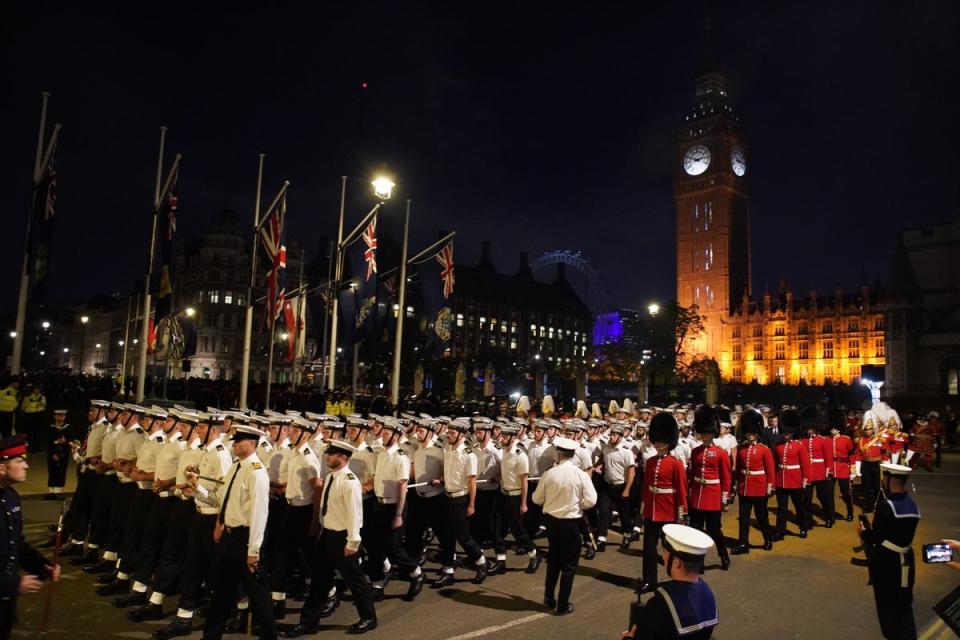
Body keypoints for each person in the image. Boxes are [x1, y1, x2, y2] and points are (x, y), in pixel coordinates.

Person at [187, 424, 276, 640]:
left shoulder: (256, 473)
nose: (235, 444)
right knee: (222, 592)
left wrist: (253, 550)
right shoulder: (235, 468)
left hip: (245, 539)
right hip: (229, 537)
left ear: (252, 444)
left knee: (258, 594)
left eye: (239, 441)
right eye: (234, 441)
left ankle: (270, 635)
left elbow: (258, 514)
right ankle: (211, 636)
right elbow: (221, 499)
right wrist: (198, 488)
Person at [285, 439, 377, 636]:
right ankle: (309, 622)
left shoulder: (350, 482)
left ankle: (368, 617)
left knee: (355, 581)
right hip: (327, 535)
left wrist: (352, 542)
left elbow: (355, 514)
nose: (327, 457)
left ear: (343, 457)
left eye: (332, 454)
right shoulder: (331, 477)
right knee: (319, 581)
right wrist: (320, 529)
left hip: (343, 538)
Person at [0, 434, 62, 640]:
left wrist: (42, 566)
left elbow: (16, 543)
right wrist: (12, 584)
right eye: (19, 460)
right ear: (1, 468)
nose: (26, 466)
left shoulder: (10, 496)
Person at [532, 436, 597, 614]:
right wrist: (577, 505)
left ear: (559, 454)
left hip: (552, 523)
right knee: (569, 565)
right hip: (571, 523)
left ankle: (548, 597)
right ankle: (562, 604)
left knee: (554, 560)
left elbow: (536, 499)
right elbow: (591, 501)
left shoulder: (549, 474)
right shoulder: (581, 474)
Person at [622, 524, 719, 639]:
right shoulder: (708, 594)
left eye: (666, 555)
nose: (663, 558)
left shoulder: (660, 604)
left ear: (676, 563)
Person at [858, 462, 920, 639]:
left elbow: (876, 537)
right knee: (904, 605)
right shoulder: (912, 504)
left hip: (887, 562)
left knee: (887, 608)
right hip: (906, 559)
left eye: (885, 477)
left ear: (890, 479)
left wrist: (863, 532)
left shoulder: (887, 506)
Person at [638, 413, 688, 594]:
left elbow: (682, 491)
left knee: (670, 550)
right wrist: (644, 507)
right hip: (652, 510)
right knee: (649, 548)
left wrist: (682, 514)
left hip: (669, 511)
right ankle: (649, 580)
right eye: (656, 440)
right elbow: (646, 487)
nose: (657, 443)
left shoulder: (676, 464)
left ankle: (676, 579)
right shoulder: (651, 462)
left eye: (661, 440)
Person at [687, 405, 732, 570]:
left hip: (713, 495)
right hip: (698, 494)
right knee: (696, 530)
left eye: (707, 433)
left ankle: (723, 554)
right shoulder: (696, 451)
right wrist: (690, 491)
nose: (705, 436)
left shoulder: (720, 453)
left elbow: (726, 476)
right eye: (703, 433)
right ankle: (698, 561)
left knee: (714, 530)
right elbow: (692, 474)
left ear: (712, 433)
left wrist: (725, 497)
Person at [730, 410, 775, 554]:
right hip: (745, 487)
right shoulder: (741, 449)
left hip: (759, 487)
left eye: (753, 433)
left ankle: (767, 539)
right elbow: (738, 470)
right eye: (748, 433)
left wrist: (770, 487)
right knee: (744, 518)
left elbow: (770, 470)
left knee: (762, 517)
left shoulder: (764, 450)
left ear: (757, 433)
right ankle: (743, 544)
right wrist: (736, 483)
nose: (750, 435)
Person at [772, 409, 811, 540]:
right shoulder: (778, 446)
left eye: (788, 432)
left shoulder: (799, 446)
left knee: (799, 506)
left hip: (795, 481)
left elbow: (805, 464)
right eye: (784, 432)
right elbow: (774, 463)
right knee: (781, 508)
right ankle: (780, 530)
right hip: (781, 480)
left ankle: (803, 528)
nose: (785, 435)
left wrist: (805, 479)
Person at [46, 409, 71, 500]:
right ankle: (51, 492)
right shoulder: (50, 427)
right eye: (58, 415)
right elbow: (48, 442)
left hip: (64, 453)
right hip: (52, 454)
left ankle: (58, 491)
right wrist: (52, 454)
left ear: (64, 417)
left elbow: (72, 440)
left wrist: (66, 441)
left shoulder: (68, 427)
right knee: (52, 472)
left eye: (62, 415)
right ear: (55, 416)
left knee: (61, 472)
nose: (60, 417)